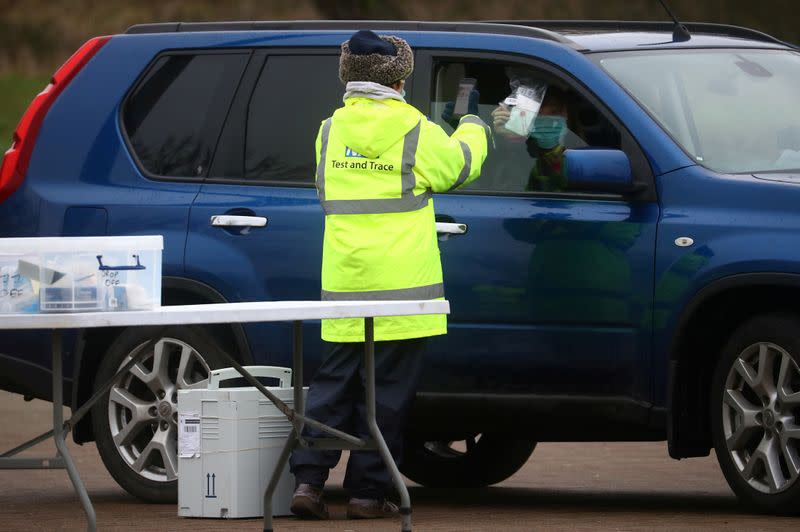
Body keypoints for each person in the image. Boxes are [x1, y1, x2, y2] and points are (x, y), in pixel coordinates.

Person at [288, 30, 491, 520]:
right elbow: (458, 168)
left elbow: (330, 189)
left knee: (332, 389)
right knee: (387, 396)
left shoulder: (328, 131)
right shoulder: (415, 128)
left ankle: (308, 484)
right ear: (400, 77)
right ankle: (366, 493)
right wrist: (471, 123)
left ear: (349, 77)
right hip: (403, 290)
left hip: (345, 284)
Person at [491, 84, 572, 191]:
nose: (546, 120)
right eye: (538, 114)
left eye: (554, 112)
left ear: (566, 114)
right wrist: (503, 137)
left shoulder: (581, 147)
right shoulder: (520, 150)